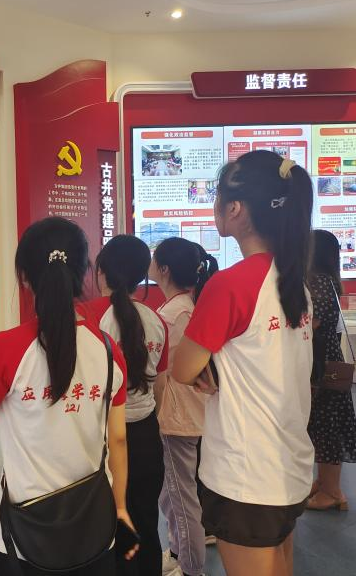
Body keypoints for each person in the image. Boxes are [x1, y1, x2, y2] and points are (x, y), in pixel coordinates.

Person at [0, 217, 136, 576]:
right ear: (83, 273)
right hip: (95, 523)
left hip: (25, 533)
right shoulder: (107, 349)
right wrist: (120, 509)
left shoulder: (6, 349)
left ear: (24, 277)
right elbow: (117, 438)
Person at [172, 151, 315, 576]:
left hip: (245, 474)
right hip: (287, 463)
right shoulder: (293, 282)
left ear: (235, 209)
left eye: (217, 197)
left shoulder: (230, 284)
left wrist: (209, 366)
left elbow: (182, 369)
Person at [87, 234, 168, 576]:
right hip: (147, 435)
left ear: (101, 271)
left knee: (106, 528)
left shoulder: (87, 316)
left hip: (101, 437)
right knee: (146, 522)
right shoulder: (156, 319)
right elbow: (160, 386)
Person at [149, 238, 218, 576]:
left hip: (175, 416)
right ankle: (178, 553)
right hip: (184, 412)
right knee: (173, 494)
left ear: (164, 269)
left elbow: (162, 369)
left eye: (154, 258)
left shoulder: (173, 314)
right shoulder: (184, 307)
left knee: (180, 496)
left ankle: (192, 568)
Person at [307, 229, 356, 511]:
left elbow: (314, 322)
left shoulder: (317, 282)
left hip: (321, 363)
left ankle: (333, 491)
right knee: (324, 425)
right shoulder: (329, 281)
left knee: (325, 426)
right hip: (327, 358)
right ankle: (324, 483)